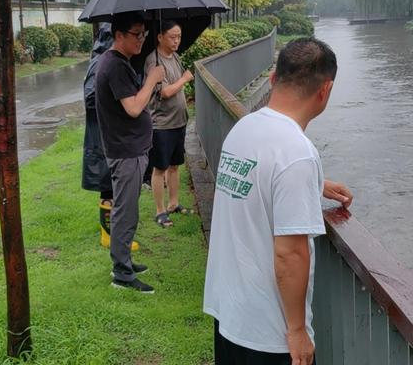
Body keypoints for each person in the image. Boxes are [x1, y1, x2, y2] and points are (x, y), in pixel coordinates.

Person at [203, 38, 353, 364]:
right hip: (269, 334)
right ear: (325, 90)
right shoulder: (296, 154)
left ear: (273, 78)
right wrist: (297, 330)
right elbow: (290, 253)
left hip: (230, 312)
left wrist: (314, 183)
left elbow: (258, 180)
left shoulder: (245, 128)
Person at [95, 13, 165, 294]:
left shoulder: (120, 63)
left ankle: (123, 261)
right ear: (119, 35)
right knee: (125, 211)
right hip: (125, 151)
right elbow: (133, 108)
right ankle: (121, 273)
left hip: (130, 148)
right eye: (136, 34)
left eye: (144, 34)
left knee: (128, 208)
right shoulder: (114, 65)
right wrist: (151, 80)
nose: (141, 40)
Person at [82, 24, 139, 252]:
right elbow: (90, 98)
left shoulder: (107, 61)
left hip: (107, 133)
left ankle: (112, 233)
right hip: (102, 135)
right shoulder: (102, 63)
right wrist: (115, 102)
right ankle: (109, 235)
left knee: (112, 186)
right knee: (108, 186)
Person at [144, 21, 194, 227]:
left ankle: (174, 204)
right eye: (172, 37)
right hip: (162, 124)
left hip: (178, 122)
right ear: (160, 37)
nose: (176, 41)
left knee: (174, 166)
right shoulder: (153, 62)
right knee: (160, 168)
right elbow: (164, 93)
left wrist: (182, 78)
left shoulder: (175, 57)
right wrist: (184, 79)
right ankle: (160, 211)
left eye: (179, 36)